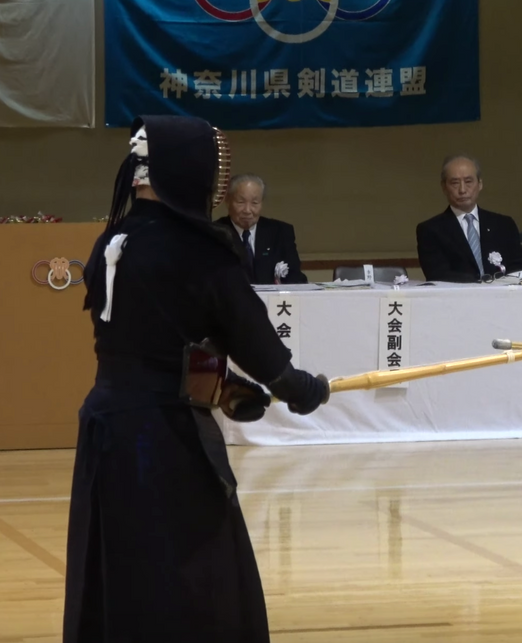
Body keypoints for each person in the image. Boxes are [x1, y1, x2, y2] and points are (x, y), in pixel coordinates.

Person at [64, 115, 330, 643]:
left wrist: (224, 388)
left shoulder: (109, 241)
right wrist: (299, 387)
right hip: (164, 438)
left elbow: (161, 340)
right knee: (187, 563)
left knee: (118, 555)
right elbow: (255, 342)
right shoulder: (200, 250)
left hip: (107, 424)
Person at [416, 154, 522, 282]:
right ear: (444, 187)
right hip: (457, 298)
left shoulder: (503, 224)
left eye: (468, 181)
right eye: (455, 183)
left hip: (502, 296)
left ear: (480, 184)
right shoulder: (430, 230)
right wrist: (479, 283)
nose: (462, 189)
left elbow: (519, 265)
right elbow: (437, 273)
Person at [216, 173, 308, 284]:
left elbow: (296, 277)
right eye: (240, 202)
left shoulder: (280, 232)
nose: (247, 210)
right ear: (228, 201)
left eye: (255, 203)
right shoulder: (215, 233)